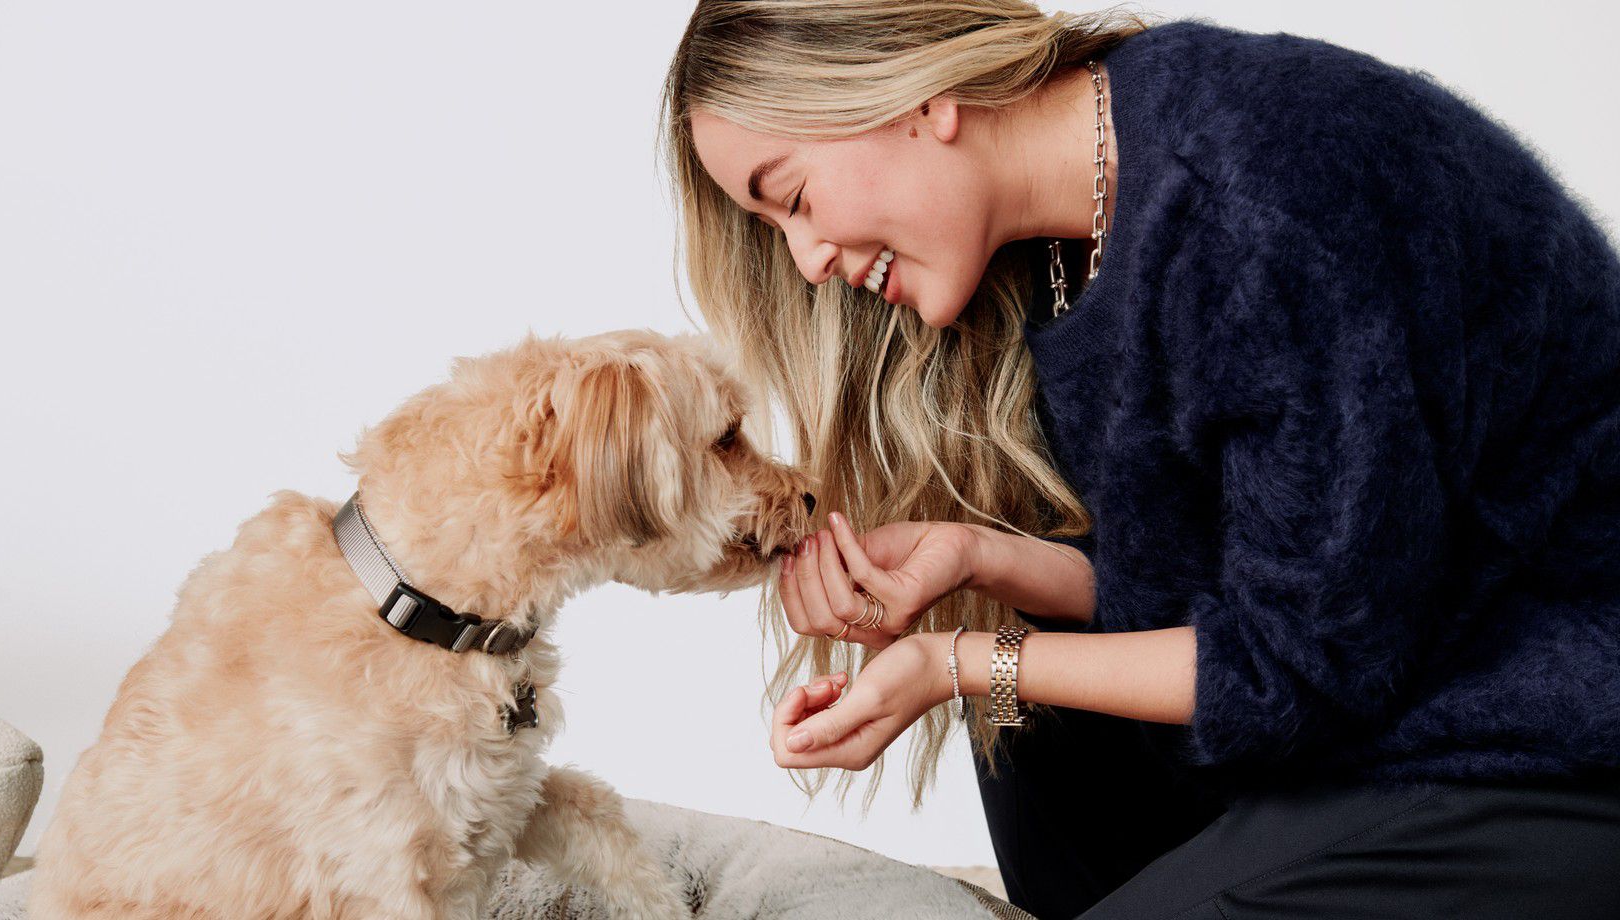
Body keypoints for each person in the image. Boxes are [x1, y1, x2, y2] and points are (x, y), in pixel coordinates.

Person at [659, 3, 1620, 918]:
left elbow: (1304, 671)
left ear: (918, 98)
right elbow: (1226, 585)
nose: (805, 259)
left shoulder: (1261, 196)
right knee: (1036, 723)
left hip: (1544, 734)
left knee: (1013, 678)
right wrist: (978, 559)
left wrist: (955, 660)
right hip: (1382, 684)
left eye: (790, 198)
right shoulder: (1077, 224)